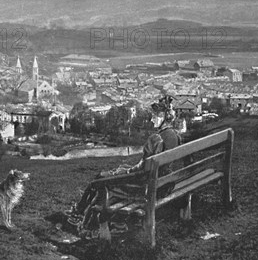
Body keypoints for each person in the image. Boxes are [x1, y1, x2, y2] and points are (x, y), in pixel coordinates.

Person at [65, 96, 183, 234]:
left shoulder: (156, 138)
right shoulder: (175, 135)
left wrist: (123, 172)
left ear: (164, 117)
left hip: (144, 187)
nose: (152, 120)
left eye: (155, 117)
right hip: (163, 184)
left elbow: (142, 170)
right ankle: (108, 221)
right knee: (114, 173)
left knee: (100, 179)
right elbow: (149, 165)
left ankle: (83, 217)